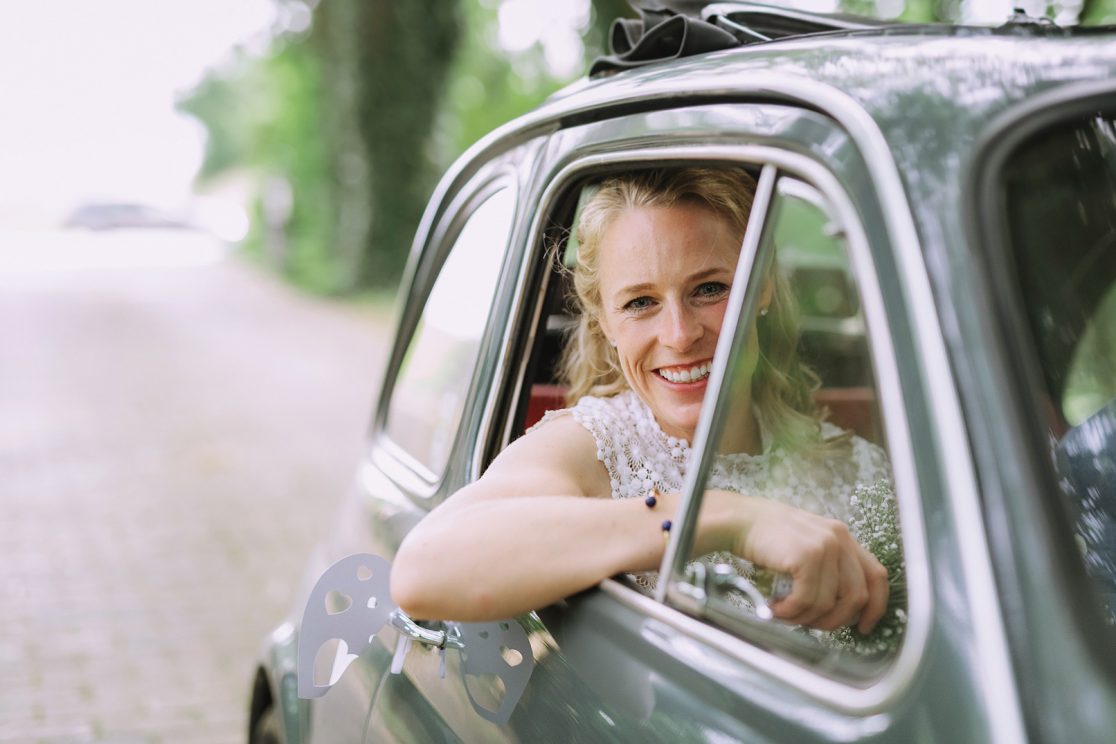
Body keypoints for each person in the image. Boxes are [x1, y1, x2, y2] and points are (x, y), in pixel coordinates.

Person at [391, 167, 893, 639]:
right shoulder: (594, 447)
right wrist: (727, 518)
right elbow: (423, 569)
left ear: (762, 287)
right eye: (640, 302)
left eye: (710, 289)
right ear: (605, 322)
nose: (679, 335)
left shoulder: (858, 465)